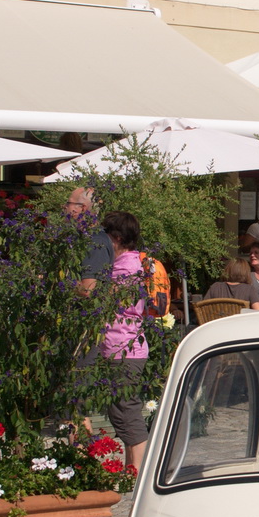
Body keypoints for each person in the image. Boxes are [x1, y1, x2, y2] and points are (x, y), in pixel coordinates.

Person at [98, 210, 153, 472]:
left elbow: (103, 297)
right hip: (120, 346)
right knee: (119, 410)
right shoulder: (129, 263)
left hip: (125, 348)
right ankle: (131, 468)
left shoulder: (127, 267)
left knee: (127, 409)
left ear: (117, 238)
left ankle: (138, 469)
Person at [65, 187, 113, 294]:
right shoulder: (82, 238)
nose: (65, 207)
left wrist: (60, 279)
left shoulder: (96, 242)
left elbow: (88, 290)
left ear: (82, 208)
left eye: (68, 203)